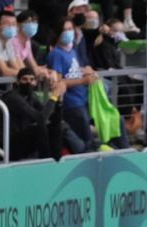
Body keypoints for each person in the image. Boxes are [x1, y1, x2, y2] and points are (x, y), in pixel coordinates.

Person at [46, 18, 98, 152]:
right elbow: (59, 82)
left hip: (82, 99)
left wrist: (85, 71)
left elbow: (72, 72)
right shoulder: (56, 54)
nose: (69, 32)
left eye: (70, 29)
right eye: (65, 29)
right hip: (71, 104)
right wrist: (82, 81)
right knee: (86, 142)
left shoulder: (72, 51)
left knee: (89, 140)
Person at [0, 67, 64, 160]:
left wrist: (60, 100)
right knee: (39, 128)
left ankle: (56, 161)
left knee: (56, 126)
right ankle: (46, 163)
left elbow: (52, 117)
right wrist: (54, 96)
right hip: (5, 145)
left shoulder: (31, 97)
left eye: (31, 79)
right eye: (24, 79)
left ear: (36, 82)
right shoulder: (12, 98)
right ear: (17, 82)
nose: (28, 82)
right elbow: (41, 118)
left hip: (20, 141)